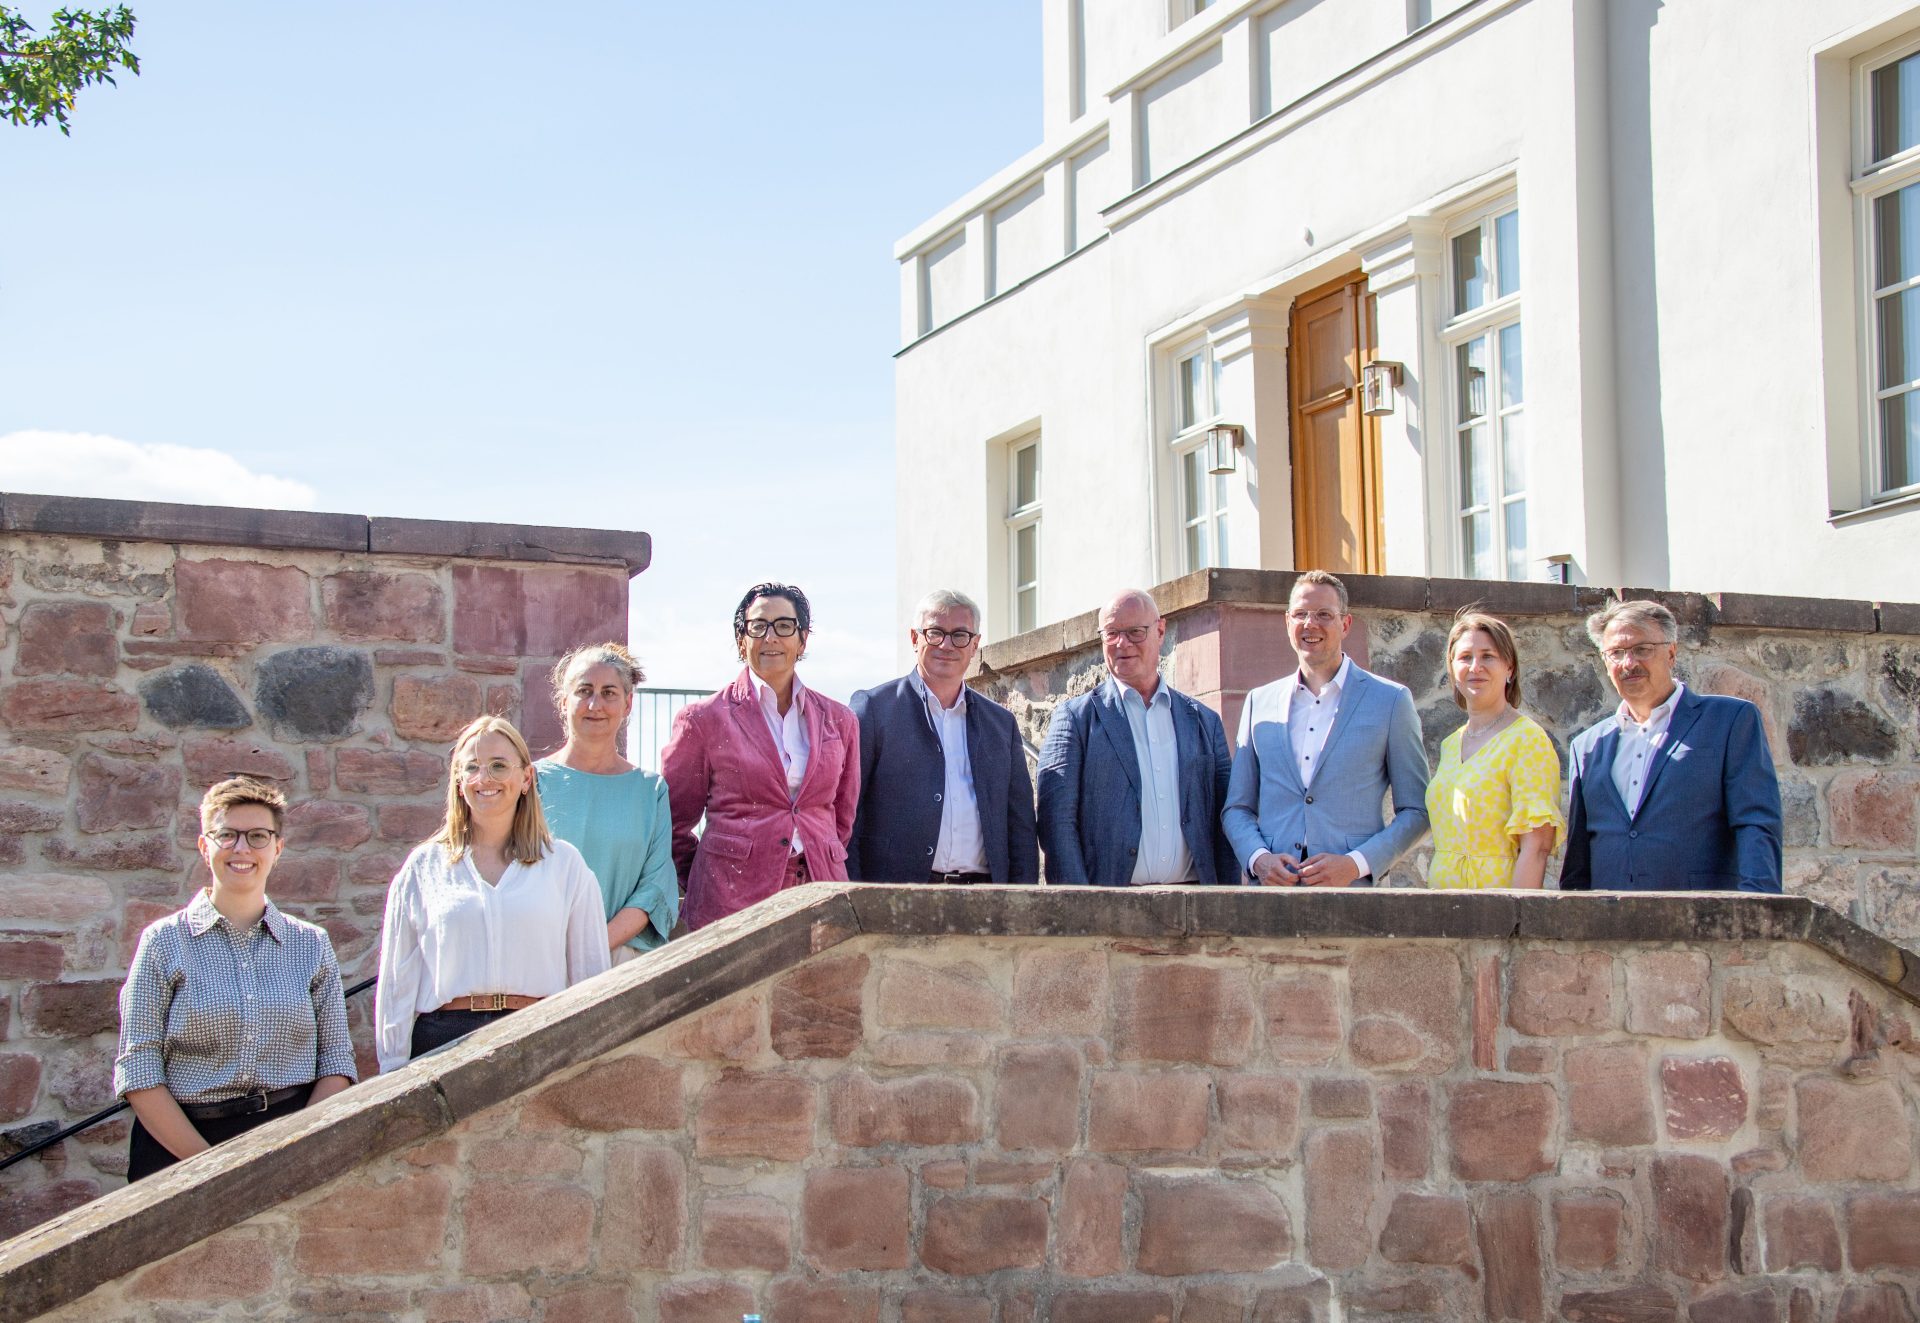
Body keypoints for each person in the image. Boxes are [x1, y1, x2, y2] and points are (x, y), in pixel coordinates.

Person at [113, 777, 356, 1180]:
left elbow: (336, 1061)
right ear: (204, 846)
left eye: (258, 836)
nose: (242, 848)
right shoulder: (164, 943)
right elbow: (139, 1068)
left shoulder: (310, 944)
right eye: (227, 835)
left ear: (277, 848)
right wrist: (212, 1168)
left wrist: (297, 1152)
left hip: (290, 1142)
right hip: (180, 1149)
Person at [375, 715, 610, 1072]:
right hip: (441, 1046)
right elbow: (398, 980)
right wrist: (391, 1069)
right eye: (472, 767)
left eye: (499, 766)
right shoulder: (424, 868)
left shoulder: (564, 865)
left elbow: (590, 976)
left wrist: (590, 1063)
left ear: (526, 778)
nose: (484, 778)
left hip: (539, 1037)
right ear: (459, 782)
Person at [660, 582, 861, 930]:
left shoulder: (840, 720)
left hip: (821, 889)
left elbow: (842, 817)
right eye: (758, 626)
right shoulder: (704, 719)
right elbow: (672, 822)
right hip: (731, 898)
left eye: (784, 626)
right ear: (742, 640)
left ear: (802, 640)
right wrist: (712, 875)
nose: (771, 637)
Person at [1222, 570, 1429, 887]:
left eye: (1323, 614)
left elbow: (1417, 811)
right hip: (1271, 893)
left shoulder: (1390, 701)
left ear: (1345, 624)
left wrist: (1355, 864)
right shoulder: (1258, 703)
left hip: (1352, 893)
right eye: (1300, 614)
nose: (1310, 624)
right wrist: (1259, 859)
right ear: (1287, 622)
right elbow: (1237, 808)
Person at [1562, 599, 1783, 892]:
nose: (1629, 663)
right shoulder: (1587, 746)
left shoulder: (1729, 721)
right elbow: (1578, 859)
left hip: (1701, 913)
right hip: (1610, 917)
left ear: (1671, 653)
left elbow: (1755, 822)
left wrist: (1759, 903)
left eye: (1642, 649)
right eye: (1616, 653)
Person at [1036, 588, 1238, 886]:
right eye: (1112, 633)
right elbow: (1056, 823)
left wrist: (1228, 900)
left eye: (1135, 632)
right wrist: (1080, 903)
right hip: (1111, 903)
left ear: (1160, 631)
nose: (1122, 643)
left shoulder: (1204, 721)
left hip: (1195, 901)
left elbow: (1226, 818)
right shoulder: (1076, 719)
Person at [848, 588, 1038, 885]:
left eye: (960, 635)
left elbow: (1021, 828)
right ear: (915, 638)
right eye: (935, 633)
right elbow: (848, 815)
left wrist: (1023, 902)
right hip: (896, 897)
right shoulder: (873, 710)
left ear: (974, 645)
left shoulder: (1001, 725)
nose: (947, 645)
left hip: (986, 896)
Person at [536, 642, 679, 964]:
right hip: (542, 956)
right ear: (563, 701)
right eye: (584, 691)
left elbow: (654, 887)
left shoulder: (650, 791)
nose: (595, 704)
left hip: (620, 961)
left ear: (628, 704)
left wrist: (592, 945)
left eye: (608, 693)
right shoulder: (530, 783)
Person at [1424, 611, 1563, 889]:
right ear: (1452, 669)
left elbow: (1536, 846)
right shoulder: (1451, 744)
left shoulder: (1526, 739)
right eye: (1465, 657)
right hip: (1441, 903)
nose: (1475, 667)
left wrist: (1513, 913)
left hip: (1495, 903)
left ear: (1509, 668)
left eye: (1488, 656)